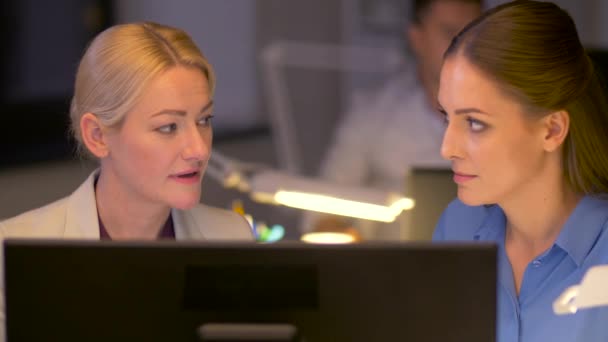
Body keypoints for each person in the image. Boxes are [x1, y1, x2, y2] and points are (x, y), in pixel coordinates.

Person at [0, 22, 254, 340]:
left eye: (204, 120)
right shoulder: (10, 250)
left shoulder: (232, 238)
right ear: (97, 136)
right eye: (168, 127)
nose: (199, 149)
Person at [433, 1, 608, 341]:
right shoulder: (457, 227)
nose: (447, 148)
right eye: (446, 117)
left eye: (474, 123)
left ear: (552, 130)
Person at [306, 0, 482, 240]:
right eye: (450, 33)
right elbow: (320, 209)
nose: (465, 48)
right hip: (390, 270)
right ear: (417, 38)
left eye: (474, 34)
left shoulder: (510, 119)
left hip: (485, 268)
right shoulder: (373, 115)